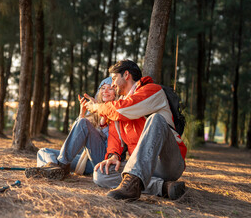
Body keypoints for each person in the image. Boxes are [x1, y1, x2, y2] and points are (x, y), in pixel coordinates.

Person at [86, 59, 187, 201]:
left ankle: (134, 183)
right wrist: (113, 156)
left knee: (156, 119)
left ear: (126, 75)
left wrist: (97, 107)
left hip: (168, 162)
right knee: (100, 175)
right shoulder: (116, 108)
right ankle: (162, 187)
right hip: (141, 166)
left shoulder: (152, 90)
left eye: (114, 79)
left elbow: (124, 109)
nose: (113, 84)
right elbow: (115, 139)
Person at [25, 77, 117, 180]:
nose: (105, 91)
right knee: (44, 152)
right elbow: (76, 136)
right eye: (103, 88)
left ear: (117, 92)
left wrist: (101, 114)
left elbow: (112, 143)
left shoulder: (118, 111)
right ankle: (53, 170)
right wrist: (82, 113)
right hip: (85, 160)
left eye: (110, 88)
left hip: (102, 160)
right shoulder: (95, 109)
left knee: (83, 123)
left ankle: (61, 165)